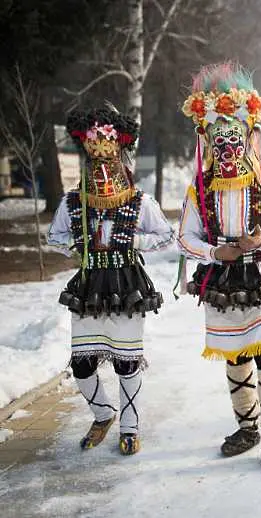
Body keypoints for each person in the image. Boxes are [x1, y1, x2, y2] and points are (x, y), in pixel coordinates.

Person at [177, 63, 261, 466]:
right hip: (223, 278)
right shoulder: (199, 189)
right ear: (209, 141)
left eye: (235, 137)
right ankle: (248, 427)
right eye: (220, 139)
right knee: (235, 355)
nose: (228, 147)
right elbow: (185, 237)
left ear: (248, 136)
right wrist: (217, 253)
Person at [47, 106, 174, 455]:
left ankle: (130, 428)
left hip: (126, 284)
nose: (103, 170)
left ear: (121, 159)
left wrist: (134, 241)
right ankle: (103, 414)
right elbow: (53, 237)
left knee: (126, 361)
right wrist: (75, 246)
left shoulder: (138, 201)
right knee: (82, 363)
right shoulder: (73, 202)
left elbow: (166, 237)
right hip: (89, 285)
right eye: (95, 163)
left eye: (110, 161)